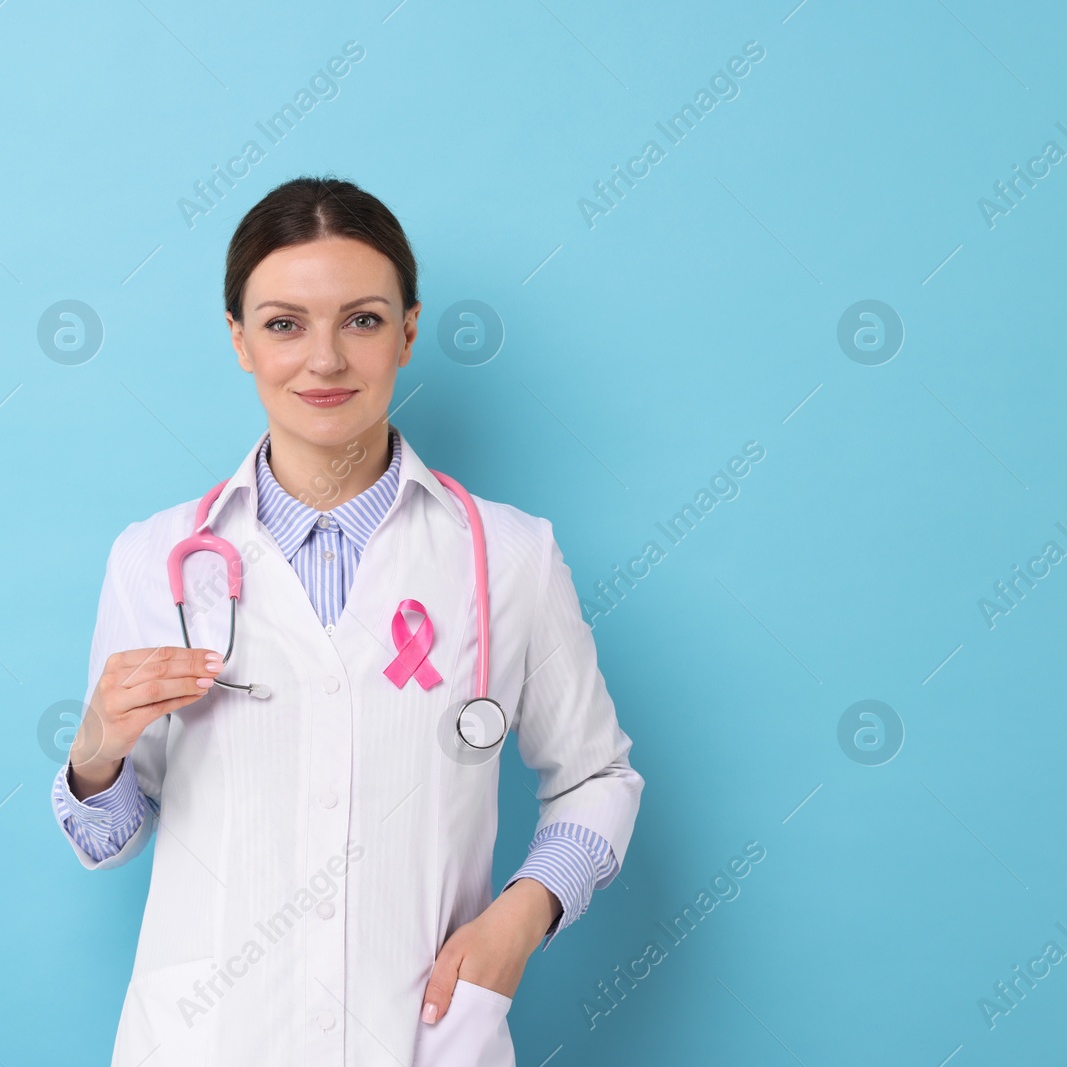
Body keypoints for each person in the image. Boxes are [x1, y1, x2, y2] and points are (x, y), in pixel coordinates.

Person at [50, 175, 643, 1066]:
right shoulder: (156, 556)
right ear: (239, 340)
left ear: (407, 332)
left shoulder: (510, 555)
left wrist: (523, 915)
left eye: (361, 320)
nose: (323, 360)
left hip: (422, 1036)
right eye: (284, 323)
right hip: (212, 1038)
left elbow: (598, 777)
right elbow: (113, 839)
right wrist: (95, 755)